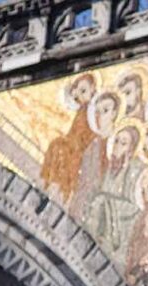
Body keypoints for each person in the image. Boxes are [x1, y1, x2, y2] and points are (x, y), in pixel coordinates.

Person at [85, 118, 144, 262]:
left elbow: (135, 207)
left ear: (131, 148)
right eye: (116, 141)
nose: (117, 146)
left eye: (123, 143)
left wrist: (106, 202)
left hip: (120, 229)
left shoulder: (134, 171)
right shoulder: (107, 166)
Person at [40, 72, 98, 202]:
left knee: (65, 153)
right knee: (57, 145)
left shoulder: (93, 112)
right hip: (71, 144)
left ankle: (62, 192)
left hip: (81, 150)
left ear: (93, 91)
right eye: (76, 93)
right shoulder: (82, 110)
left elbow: (90, 137)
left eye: (83, 91)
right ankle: (49, 185)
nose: (79, 96)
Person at [70, 90, 121, 221]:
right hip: (81, 202)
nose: (100, 116)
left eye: (105, 110)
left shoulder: (118, 145)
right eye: (97, 112)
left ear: (114, 114)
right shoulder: (93, 144)